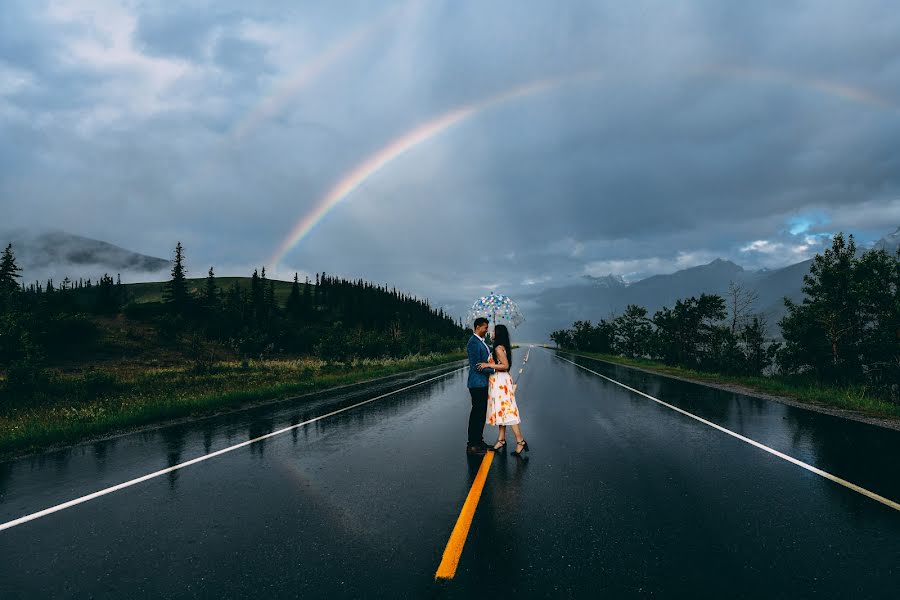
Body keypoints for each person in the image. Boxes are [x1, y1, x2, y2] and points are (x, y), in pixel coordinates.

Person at [480, 324, 529, 457]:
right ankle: (501, 439)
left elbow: (506, 366)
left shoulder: (498, 348)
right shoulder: (501, 346)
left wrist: (488, 364)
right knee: (502, 411)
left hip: (501, 382)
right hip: (500, 381)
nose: (492, 333)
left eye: (494, 331)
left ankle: (520, 441)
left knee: (507, 410)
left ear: (498, 333)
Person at [466, 317, 495, 455]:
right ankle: (472, 445)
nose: (487, 330)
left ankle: (479, 441)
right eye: (485, 327)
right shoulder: (473, 342)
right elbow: (478, 366)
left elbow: (487, 357)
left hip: (482, 383)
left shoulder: (482, 342)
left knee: (481, 413)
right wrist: (494, 369)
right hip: (477, 383)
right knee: (477, 414)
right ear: (478, 327)